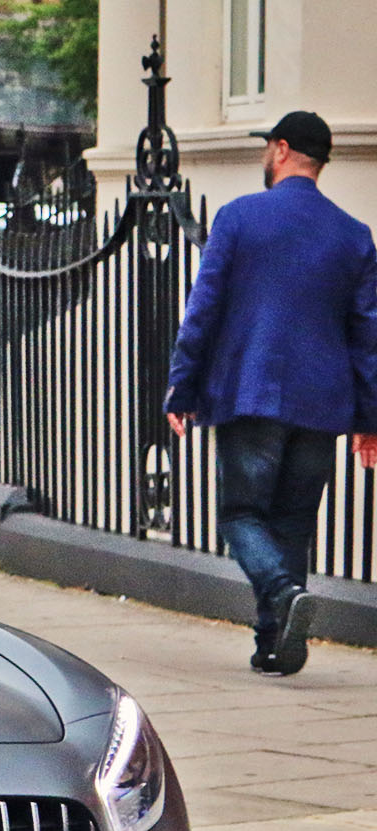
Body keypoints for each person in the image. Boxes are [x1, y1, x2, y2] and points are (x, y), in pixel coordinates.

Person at [166, 110, 377, 677]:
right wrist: (369, 419)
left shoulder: (239, 219)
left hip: (250, 393)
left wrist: (181, 387)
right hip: (321, 404)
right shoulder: (355, 236)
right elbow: (367, 336)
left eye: (268, 148)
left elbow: (202, 312)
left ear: (282, 150)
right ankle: (274, 647)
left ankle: (284, 598)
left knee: (240, 515)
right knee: (291, 525)